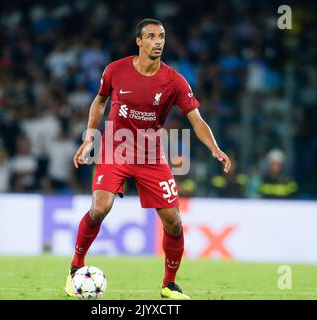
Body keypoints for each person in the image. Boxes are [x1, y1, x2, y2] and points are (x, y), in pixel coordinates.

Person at [64, 18, 231, 300]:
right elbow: (100, 101)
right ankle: (74, 269)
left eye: (162, 36)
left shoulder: (174, 80)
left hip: (151, 156)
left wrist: (215, 148)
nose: (158, 41)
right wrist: (90, 137)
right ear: (139, 41)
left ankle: (169, 285)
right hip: (116, 149)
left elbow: (197, 119)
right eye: (151, 36)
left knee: (174, 223)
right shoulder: (115, 70)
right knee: (99, 208)